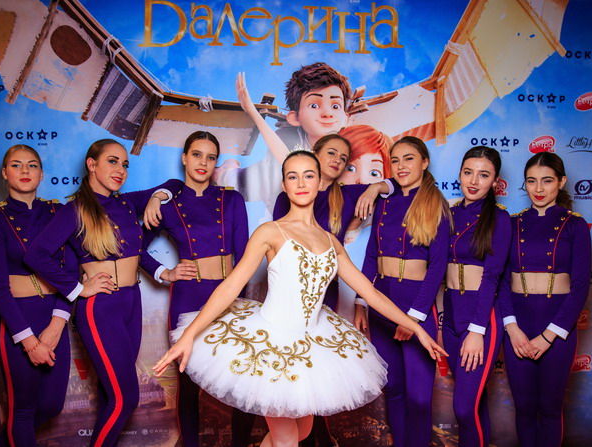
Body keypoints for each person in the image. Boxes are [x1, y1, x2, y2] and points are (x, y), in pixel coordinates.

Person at [153, 150, 447, 447]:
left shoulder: (331, 242)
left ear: (320, 182)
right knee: (286, 438)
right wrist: (189, 335)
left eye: (308, 175)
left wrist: (418, 328)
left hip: (312, 348)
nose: (302, 183)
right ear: (284, 185)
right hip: (270, 344)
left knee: (302, 431)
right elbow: (231, 286)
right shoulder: (270, 232)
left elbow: (371, 293)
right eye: (293, 177)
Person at [24, 139, 178, 447]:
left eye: (125, 164)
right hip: (101, 309)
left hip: (132, 303)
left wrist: (155, 198)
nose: (120, 170)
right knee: (125, 399)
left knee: (112, 395)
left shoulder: (127, 203)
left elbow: (176, 185)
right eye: (112, 161)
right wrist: (77, 288)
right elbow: (36, 254)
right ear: (91, 164)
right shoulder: (75, 210)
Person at [141, 131, 251, 447]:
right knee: (188, 383)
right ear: (184, 158)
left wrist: (242, 303)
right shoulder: (169, 204)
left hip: (229, 296)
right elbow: (134, 247)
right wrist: (165, 272)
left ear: (216, 163)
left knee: (242, 379)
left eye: (211, 157)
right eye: (197, 154)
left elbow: (244, 256)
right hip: (188, 297)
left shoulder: (231, 199)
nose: (203, 162)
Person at [353, 136, 451, 447]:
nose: (401, 166)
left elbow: (437, 267)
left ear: (425, 162)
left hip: (416, 307)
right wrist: (360, 301)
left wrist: (413, 319)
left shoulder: (436, 205)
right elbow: (371, 255)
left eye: (409, 159)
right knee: (393, 389)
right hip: (381, 303)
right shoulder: (384, 201)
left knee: (419, 398)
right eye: (395, 160)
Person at [0, 144, 74, 446]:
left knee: (52, 405)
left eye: (32, 165)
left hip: (55, 314)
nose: (25, 171)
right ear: (4, 173)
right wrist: (29, 341)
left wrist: (57, 324)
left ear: (41, 174)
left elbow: (71, 270)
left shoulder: (58, 212)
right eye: (16, 165)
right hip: (17, 320)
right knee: (23, 410)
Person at [499, 152, 591, 447]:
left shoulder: (575, 225)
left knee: (550, 409)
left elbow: (580, 287)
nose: (538, 189)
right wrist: (512, 328)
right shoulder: (511, 223)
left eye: (547, 181)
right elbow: (501, 280)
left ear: (561, 182)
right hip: (518, 326)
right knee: (524, 407)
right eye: (531, 181)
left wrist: (549, 336)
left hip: (557, 327)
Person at [272, 133, 393, 310]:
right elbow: (278, 248)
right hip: (289, 285)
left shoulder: (348, 195)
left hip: (326, 288)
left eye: (343, 158)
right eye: (331, 153)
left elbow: (397, 185)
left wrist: (374, 188)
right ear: (314, 154)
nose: (337, 160)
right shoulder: (287, 196)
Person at [443, 147, 511, 447]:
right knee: (474, 404)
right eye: (468, 172)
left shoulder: (499, 218)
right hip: (451, 316)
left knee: (463, 408)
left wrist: (476, 330)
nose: (473, 181)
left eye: (483, 175)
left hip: (480, 319)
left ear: (495, 181)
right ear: (459, 174)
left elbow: (493, 277)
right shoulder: (449, 213)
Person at [218, 62, 352, 212]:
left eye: (335, 106)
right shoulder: (288, 140)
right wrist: (252, 111)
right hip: (264, 181)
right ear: (295, 117)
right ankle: (227, 168)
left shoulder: (348, 147)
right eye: (314, 105)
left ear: (345, 118)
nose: (327, 113)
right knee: (230, 180)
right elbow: (287, 160)